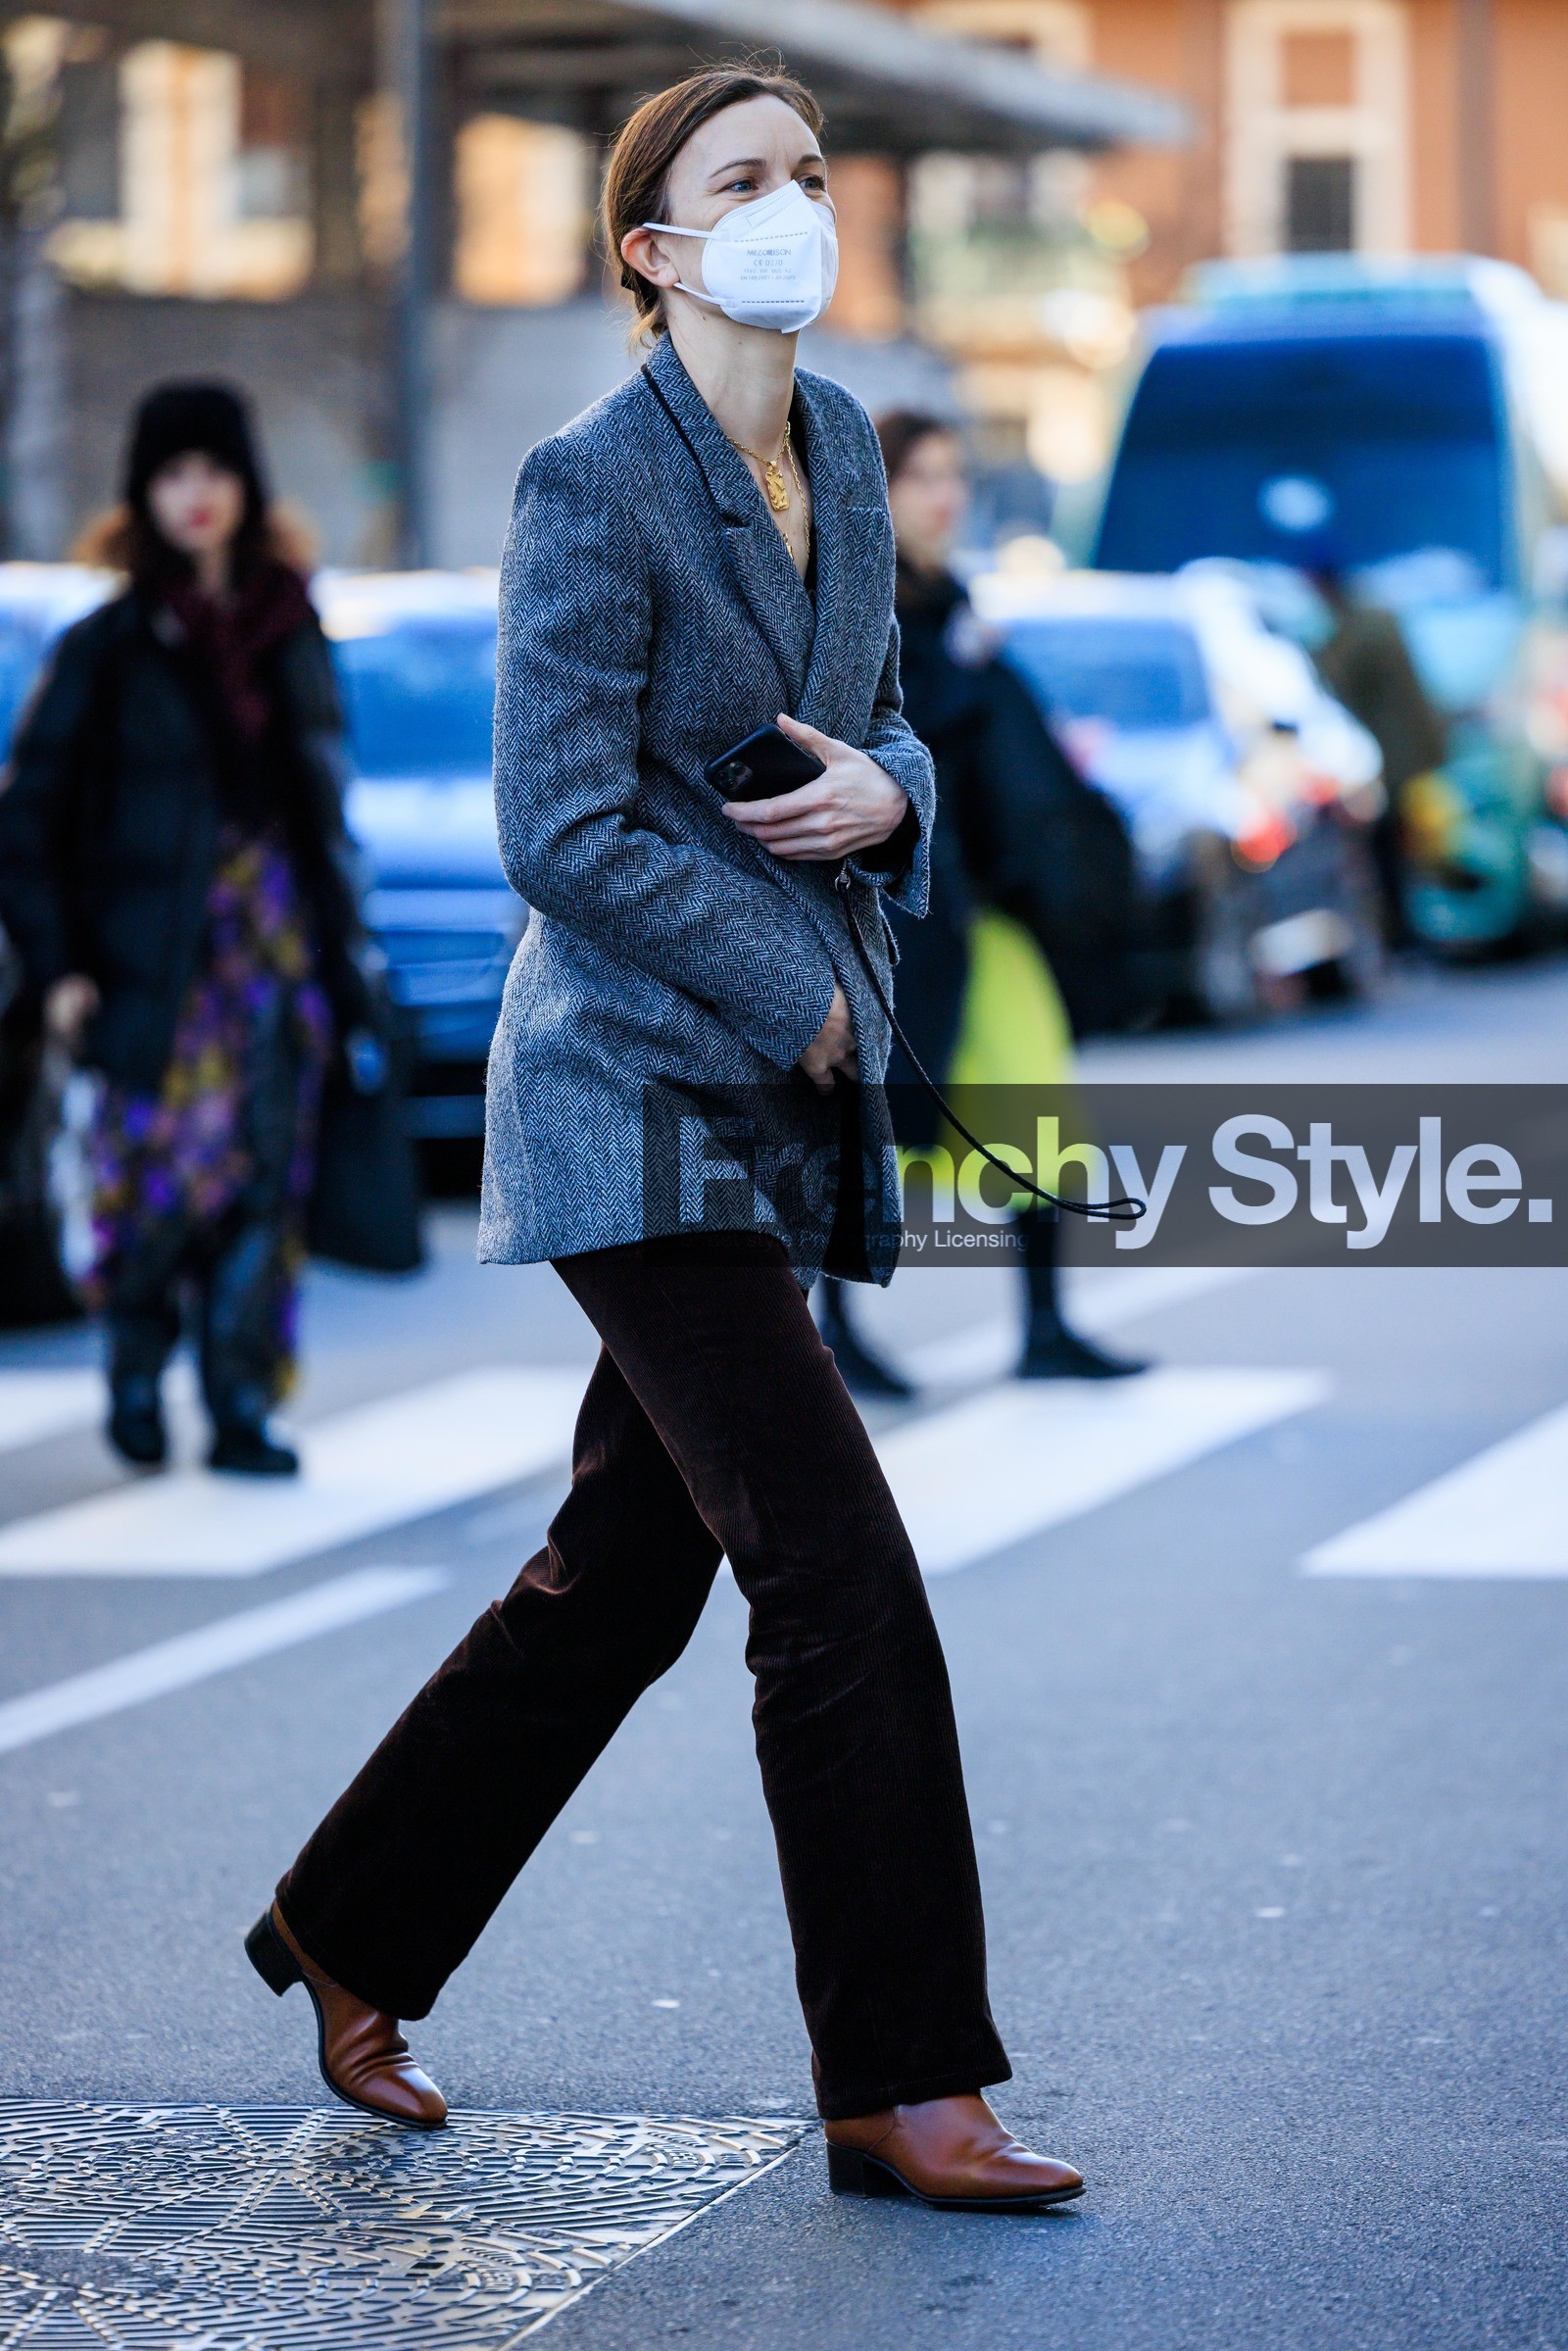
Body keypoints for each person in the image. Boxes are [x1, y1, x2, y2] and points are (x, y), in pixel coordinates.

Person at [243, 67, 1083, 2215]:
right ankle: (900, 2079)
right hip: (632, 1089)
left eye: (812, 170)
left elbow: (876, 725)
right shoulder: (586, 478)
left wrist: (893, 795)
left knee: (620, 1573)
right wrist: (795, 986)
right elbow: (559, 820)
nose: (794, 203)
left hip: (769, 1097)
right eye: (746, 180)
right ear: (655, 248)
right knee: (832, 1560)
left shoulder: (834, 450)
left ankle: (349, 1918)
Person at [0, 382, 378, 1475]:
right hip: (149, 967)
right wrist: (60, 965)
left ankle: (242, 1403)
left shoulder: (290, 626)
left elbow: (326, 806)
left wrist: (352, 964)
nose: (197, 495)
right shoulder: (108, 647)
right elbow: (26, 822)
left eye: (215, 469)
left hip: (277, 955)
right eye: (173, 474)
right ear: (142, 494)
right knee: (156, 1186)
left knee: (266, 1181)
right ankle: (135, 1364)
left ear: (246, 482)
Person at [817, 412, 1147, 1396]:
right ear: (875, 493)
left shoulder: (952, 605)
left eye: (953, 473)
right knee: (862, 1127)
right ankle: (830, 1333)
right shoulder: (860, 610)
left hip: (983, 912)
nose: (945, 495)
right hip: (899, 915)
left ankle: (1044, 1323)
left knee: (1035, 1109)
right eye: (920, 476)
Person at [1310, 565, 1446, 948]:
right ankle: (1410, 929)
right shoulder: (1378, 620)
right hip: (1411, 755)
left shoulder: (1358, 632)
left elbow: (1337, 680)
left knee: (1391, 850)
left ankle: (1403, 932)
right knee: (1404, 847)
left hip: (1392, 760)